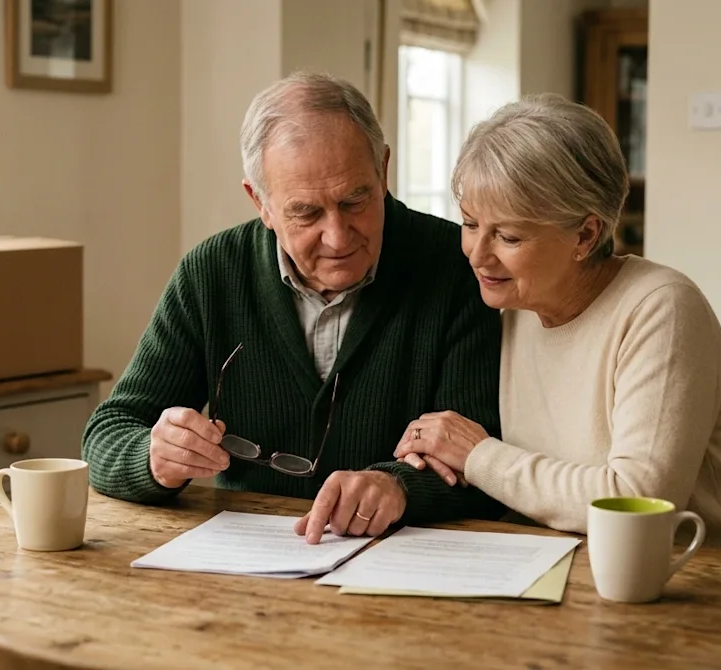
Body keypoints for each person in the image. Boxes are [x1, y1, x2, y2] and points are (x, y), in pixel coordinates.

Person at [82, 72, 504, 544]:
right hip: (244, 569)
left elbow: (487, 459)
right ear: (259, 202)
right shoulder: (211, 273)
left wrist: (399, 486)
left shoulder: (458, 267)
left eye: (356, 200)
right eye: (305, 213)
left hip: (409, 562)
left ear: (383, 170)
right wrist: (152, 458)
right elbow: (107, 432)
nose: (338, 237)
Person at [394, 94, 721, 556]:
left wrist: (479, 457)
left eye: (508, 236)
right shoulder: (506, 304)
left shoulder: (661, 308)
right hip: (574, 571)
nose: (477, 254)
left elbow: (639, 502)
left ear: (585, 234)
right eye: (469, 224)